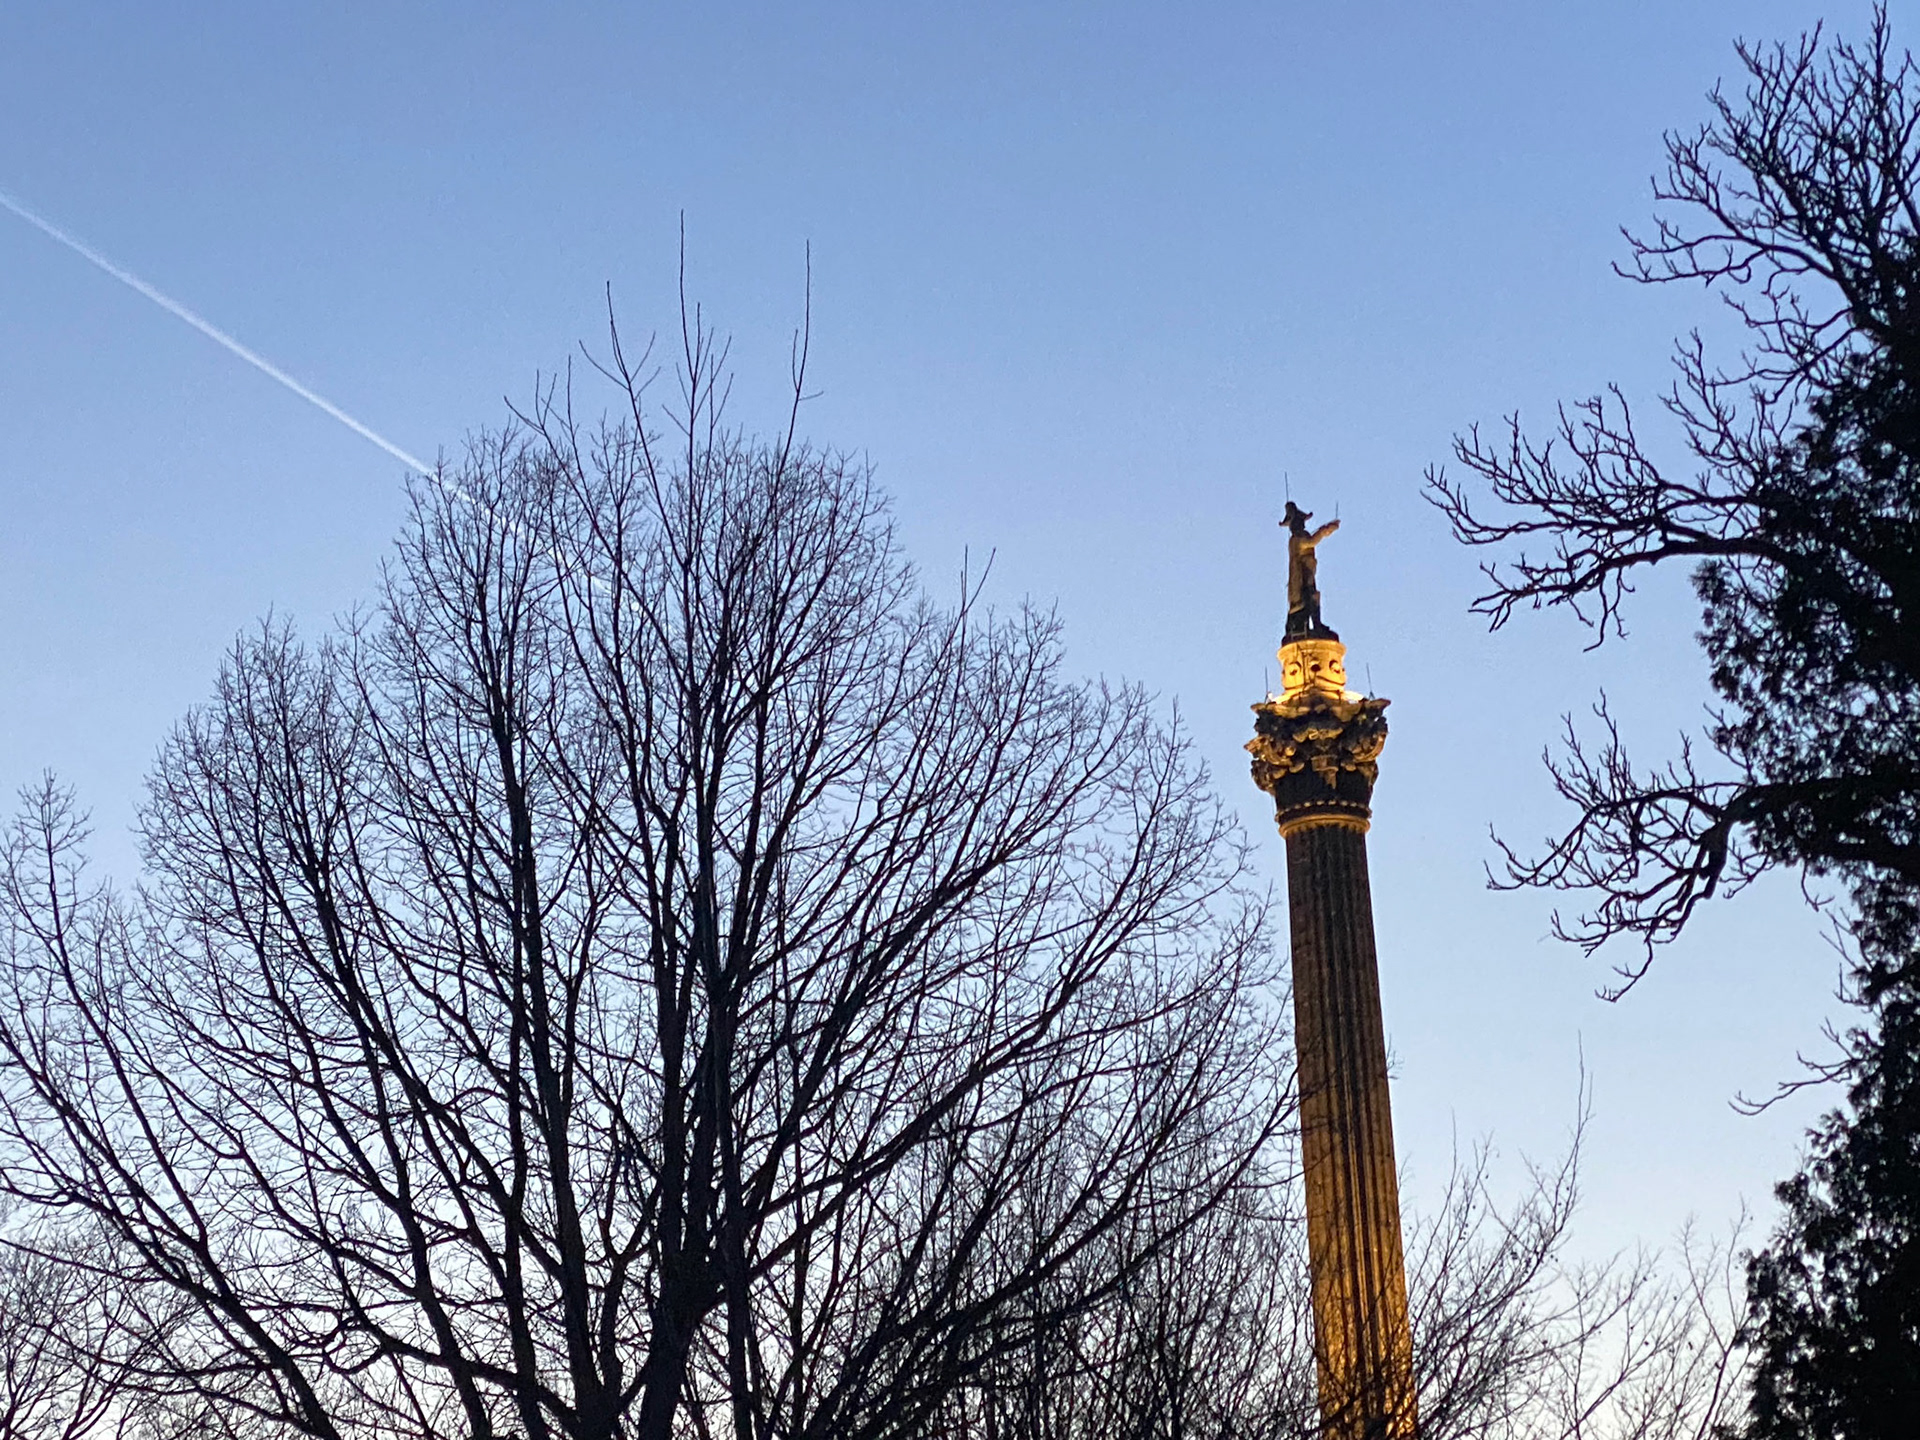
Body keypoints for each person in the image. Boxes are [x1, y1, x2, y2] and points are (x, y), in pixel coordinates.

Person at [1283, 500, 1340, 636]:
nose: (1301, 523)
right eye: (1298, 520)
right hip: (1301, 577)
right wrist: (1326, 530)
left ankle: (1317, 624)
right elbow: (1311, 542)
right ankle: (1309, 626)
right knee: (1307, 598)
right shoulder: (1296, 539)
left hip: (1308, 572)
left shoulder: (1301, 536)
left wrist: (1325, 530)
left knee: (1313, 596)